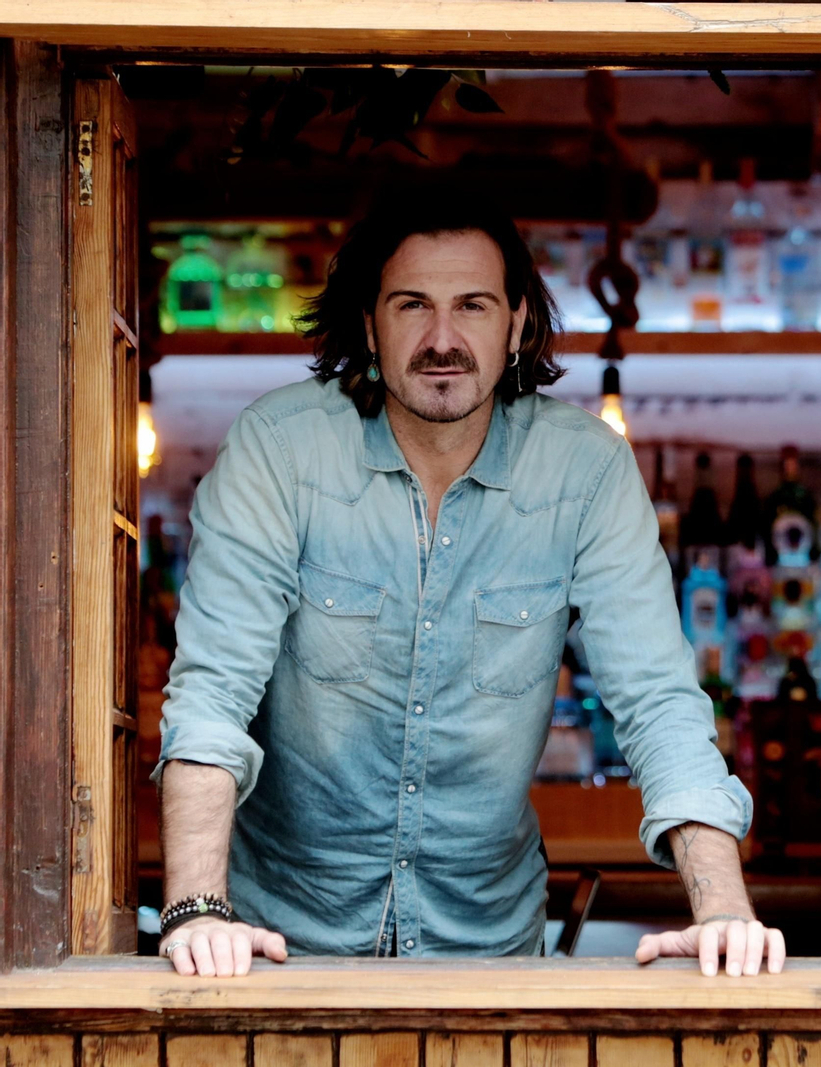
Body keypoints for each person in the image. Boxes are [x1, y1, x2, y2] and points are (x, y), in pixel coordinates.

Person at [154, 197, 783, 978]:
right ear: (370, 322)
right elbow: (212, 694)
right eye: (413, 305)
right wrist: (195, 908)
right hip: (280, 943)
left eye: (473, 306)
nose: (443, 340)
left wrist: (722, 908)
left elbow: (657, 699)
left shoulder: (584, 472)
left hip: (486, 950)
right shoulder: (281, 451)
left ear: (516, 324)